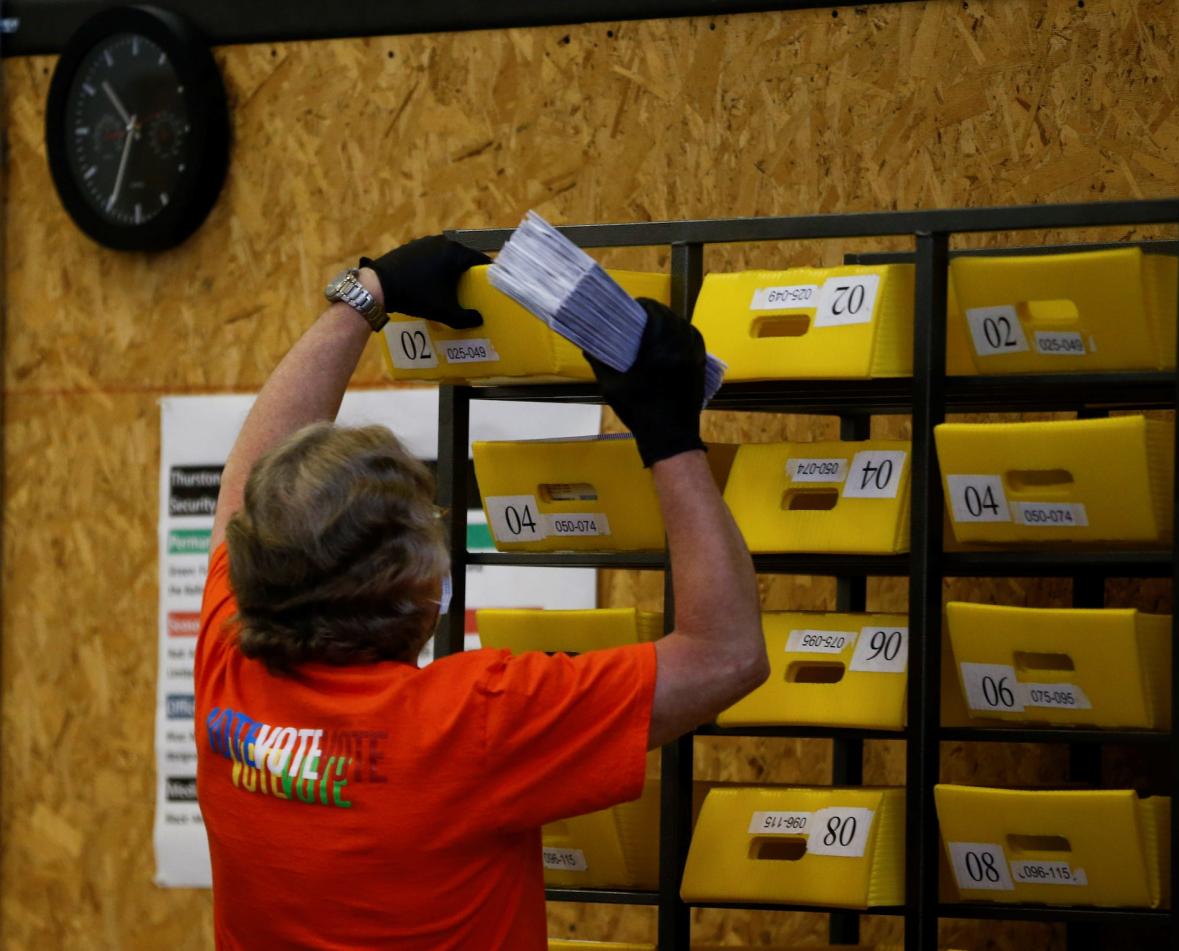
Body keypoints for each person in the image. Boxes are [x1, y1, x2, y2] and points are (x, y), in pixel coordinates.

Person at [195, 235, 767, 950]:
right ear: (416, 592)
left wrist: (365, 296)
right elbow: (726, 655)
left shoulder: (230, 669)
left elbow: (244, 488)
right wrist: (671, 437)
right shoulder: (469, 723)